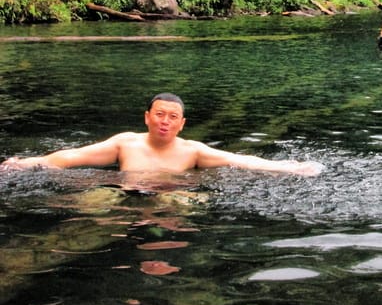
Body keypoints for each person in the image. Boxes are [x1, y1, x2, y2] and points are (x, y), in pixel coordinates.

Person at [1, 93, 323, 177]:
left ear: (182, 123)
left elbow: (242, 160)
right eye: (159, 115)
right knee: (95, 200)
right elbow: (73, 156)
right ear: (147, 118)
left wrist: (290, 168)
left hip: (172, 198)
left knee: (182, 204)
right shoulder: (125, 144)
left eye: (172, 117)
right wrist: (28, 162)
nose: (165, 122)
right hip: (125, 196)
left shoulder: (193, 152)